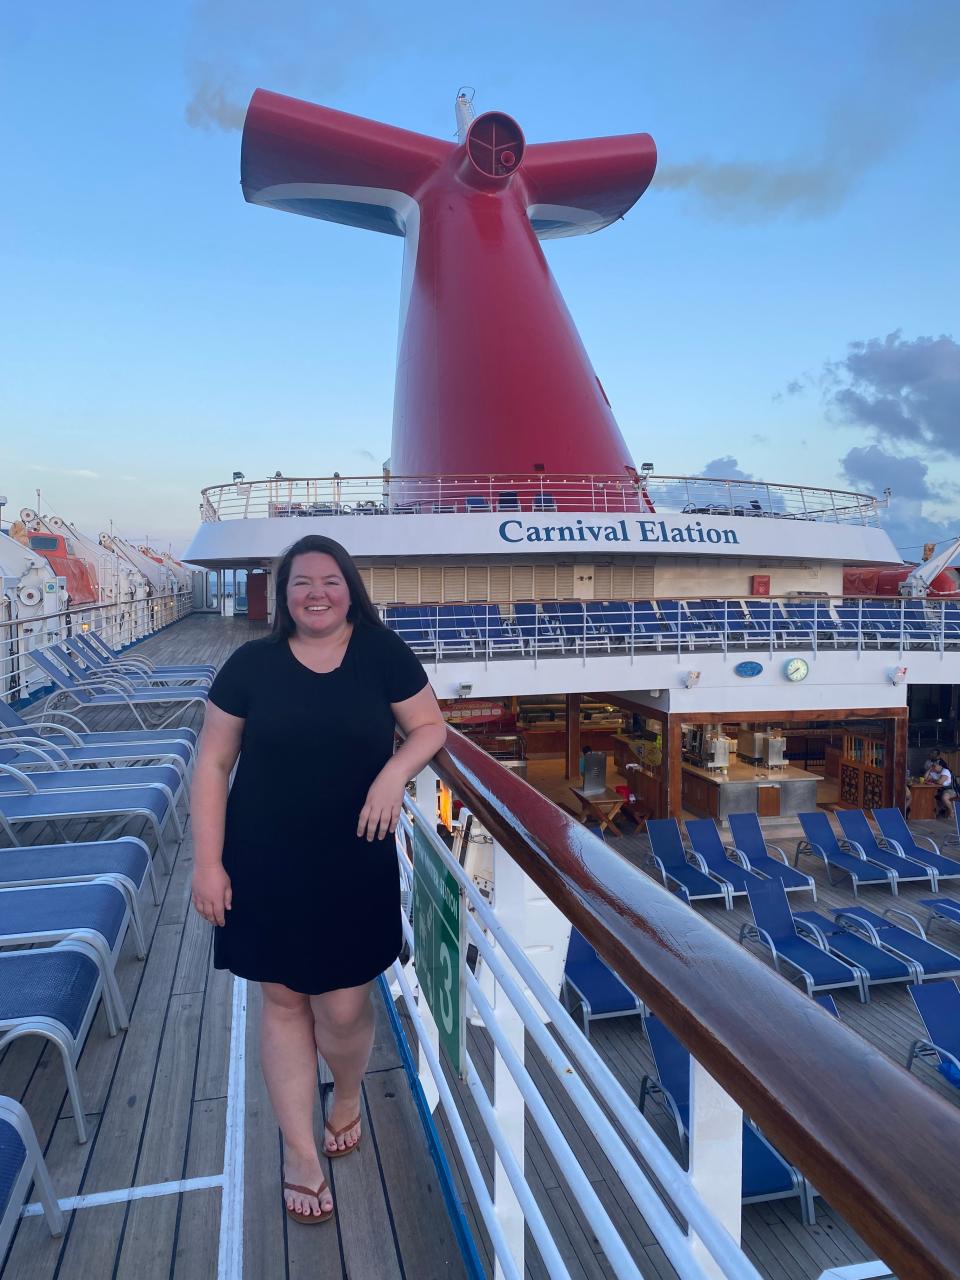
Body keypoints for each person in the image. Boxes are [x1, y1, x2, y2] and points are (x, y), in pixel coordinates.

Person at [190, 534, 446, 1225]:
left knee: (342, 1007)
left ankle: (347, 1091)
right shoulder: (251, 665)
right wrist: (207, 863)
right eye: (301, 583)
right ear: (284, 596)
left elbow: (428, 727)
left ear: (349, 587)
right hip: (264, 858)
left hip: (353, 855)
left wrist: (395, 774)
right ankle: (300, 1153)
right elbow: (213, 765)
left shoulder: (380, 654)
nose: (316, 594)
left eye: (330, 581)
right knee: (282, 1001)